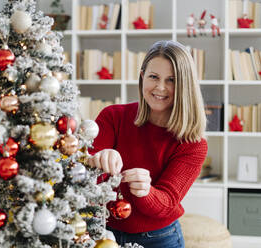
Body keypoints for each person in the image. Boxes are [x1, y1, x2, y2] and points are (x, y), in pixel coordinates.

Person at [87, 40, 208, 248]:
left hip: (159, 239)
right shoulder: (113, 117)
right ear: (142, 76)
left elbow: (167, 202)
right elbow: (82, 175)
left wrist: (146, 191)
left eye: (171, 80)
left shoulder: (193, 143)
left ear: (184, 85)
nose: (160, 88)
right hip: (102, 233)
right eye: (154, 77)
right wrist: (100, 159)